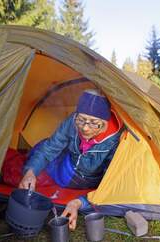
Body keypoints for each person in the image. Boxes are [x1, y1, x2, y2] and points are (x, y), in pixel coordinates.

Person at [19, 89, 123, 230]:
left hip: (81, 178)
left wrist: (79, 203)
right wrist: (30, 172)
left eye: (94, 123)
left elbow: (111, 184)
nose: (85, 128)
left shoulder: (116, 141)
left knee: (31, 164)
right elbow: (51, 147)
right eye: (81, 120)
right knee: (42, 147)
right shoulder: (73, 121)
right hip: (68, 161)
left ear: (104, 123)